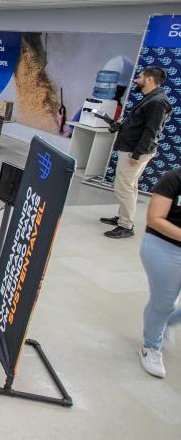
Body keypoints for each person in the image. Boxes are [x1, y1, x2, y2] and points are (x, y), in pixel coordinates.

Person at [101, 66, 172, 239]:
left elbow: (152, 131)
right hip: (132, 148)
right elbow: (141, 124)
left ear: (149, 79)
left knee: (124, 187)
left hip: (135, 151)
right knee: (129, 186)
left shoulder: (158, 102)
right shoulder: (151, 98)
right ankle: (123, 217)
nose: (136, 80)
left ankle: (126, 226)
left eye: (139, 77)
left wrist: (137, 154)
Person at [137, 166, 181, 378]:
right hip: (165, 247)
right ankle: (151, 346)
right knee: (163, 303)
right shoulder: (174, 178)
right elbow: (155, 218)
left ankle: (165, 321)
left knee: (165, 310)